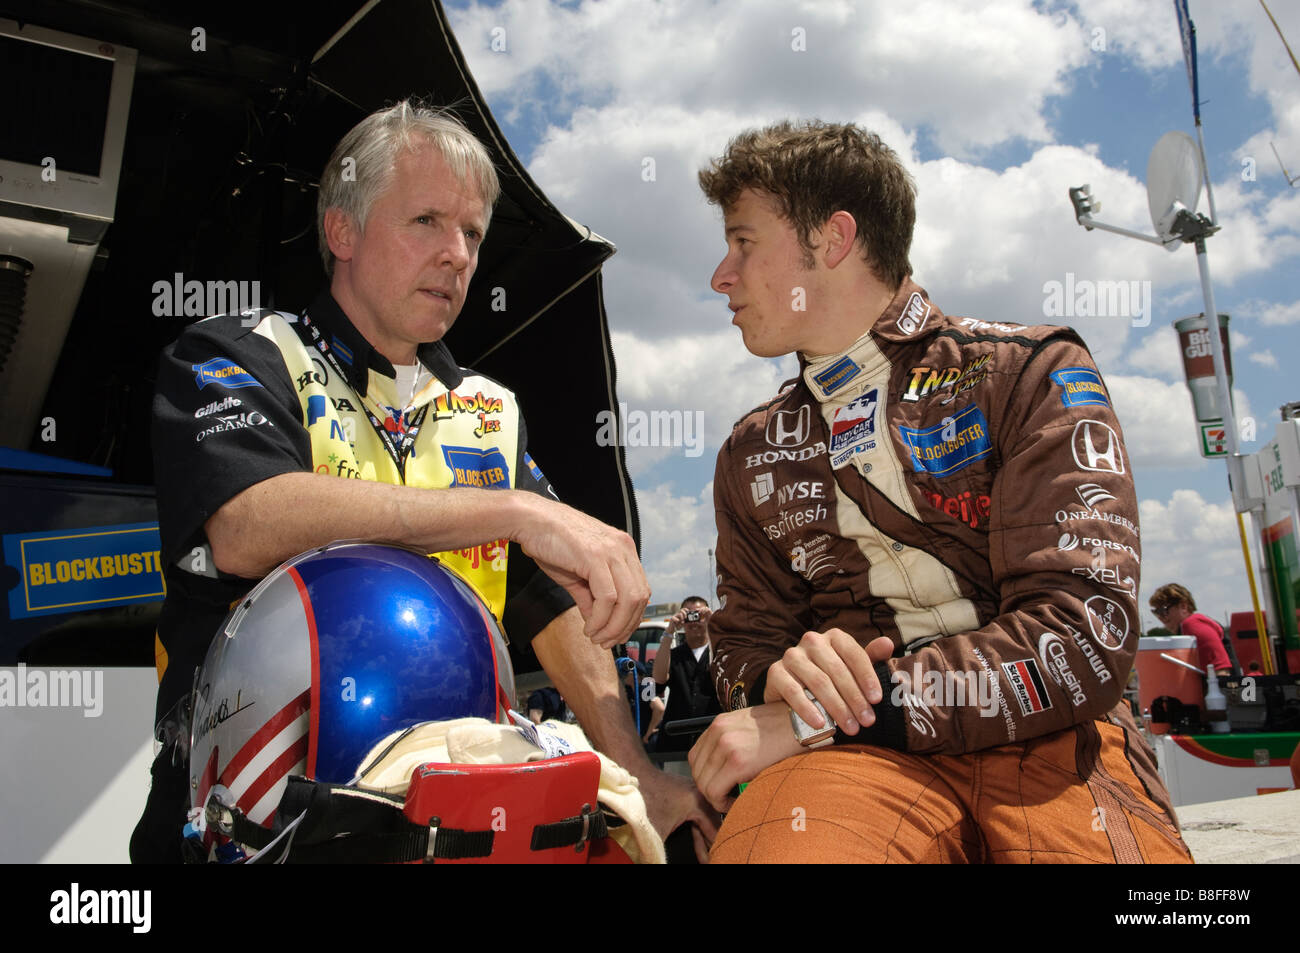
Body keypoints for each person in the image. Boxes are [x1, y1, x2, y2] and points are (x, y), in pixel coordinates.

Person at [134, 100, 714, 862]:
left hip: (457, 808)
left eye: (473, 233)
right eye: (428, 222)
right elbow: (246, 523)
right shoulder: (241, 351)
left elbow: (552, 603)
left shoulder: (490, 408)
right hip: (254, 803)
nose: (458, 255)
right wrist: (506, 509)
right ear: (343, 229)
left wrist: (637, 774)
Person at [688, 120, 1191, 863]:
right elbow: (741, 645)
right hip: (852, 767)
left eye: (743, 242)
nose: (720, 276)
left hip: (1051, 745)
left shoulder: (1027, 371)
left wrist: (822, 714)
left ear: (832, 240)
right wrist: (775, 682)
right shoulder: (752, 450)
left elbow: (1084, 638)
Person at [652, 597, 723, 752]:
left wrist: (714, 625)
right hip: (675, 743)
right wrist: (670, 630)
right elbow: (658, 679)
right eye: (689, 616)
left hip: (712, 743)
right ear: (683, 620)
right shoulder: (674, 656)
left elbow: (722, 671)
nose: (694, 621)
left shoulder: (717, 651)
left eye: (699, 615)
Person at [1149, 583, 1233, 675]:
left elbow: (1221, 670)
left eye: (1163, 610)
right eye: (1156, 612)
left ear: (1183, 606)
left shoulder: (1191, 624)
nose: (1160, 617)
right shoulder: (1189, 628)